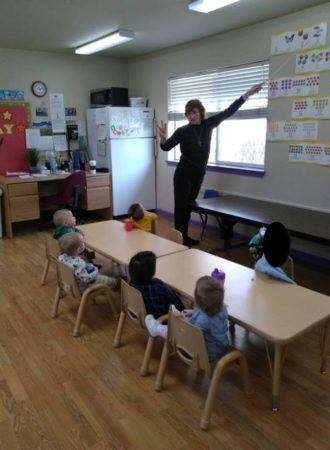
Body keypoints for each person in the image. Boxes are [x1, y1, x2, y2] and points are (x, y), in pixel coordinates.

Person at [157, 83, 264, 246]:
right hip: (183, 174)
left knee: (188, 207)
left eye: (193, 112)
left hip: (198, 176)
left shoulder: (209, 125)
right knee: (180, 208)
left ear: (200, 112)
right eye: (188, 114)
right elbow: (165, 147)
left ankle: (184, 238)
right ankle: (179, 241)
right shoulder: (182, 131)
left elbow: (229, 111)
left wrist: (247, 94)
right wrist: (163, 138)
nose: (191, 116)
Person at [145, 275, 229, 361]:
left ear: (197, 301)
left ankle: (157, 328)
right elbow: (210, 317)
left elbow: (191, 334)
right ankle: (159, 328)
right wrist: (194, 312)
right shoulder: (222, 308)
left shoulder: (203, 320)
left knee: (174, 331)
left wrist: (180, 318)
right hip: (219, 347)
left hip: (205, 353)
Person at [58, 232, 124, 293]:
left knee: (94, 269)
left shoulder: (61, 257)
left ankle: (110, 277)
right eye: (83, 242)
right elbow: (87, 279)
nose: (84, 243)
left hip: (69, 285)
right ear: (79, 249)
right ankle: (115, 283)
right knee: (103, 278)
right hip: (83, 288)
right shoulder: (78, 264)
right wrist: (95, 271)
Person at [128, 251, 184, 319]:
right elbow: (176, 302)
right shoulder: (158, 287)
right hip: (162, 321)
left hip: (141, 317)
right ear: (151, 271)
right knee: (184, 298)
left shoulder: (131, 285)